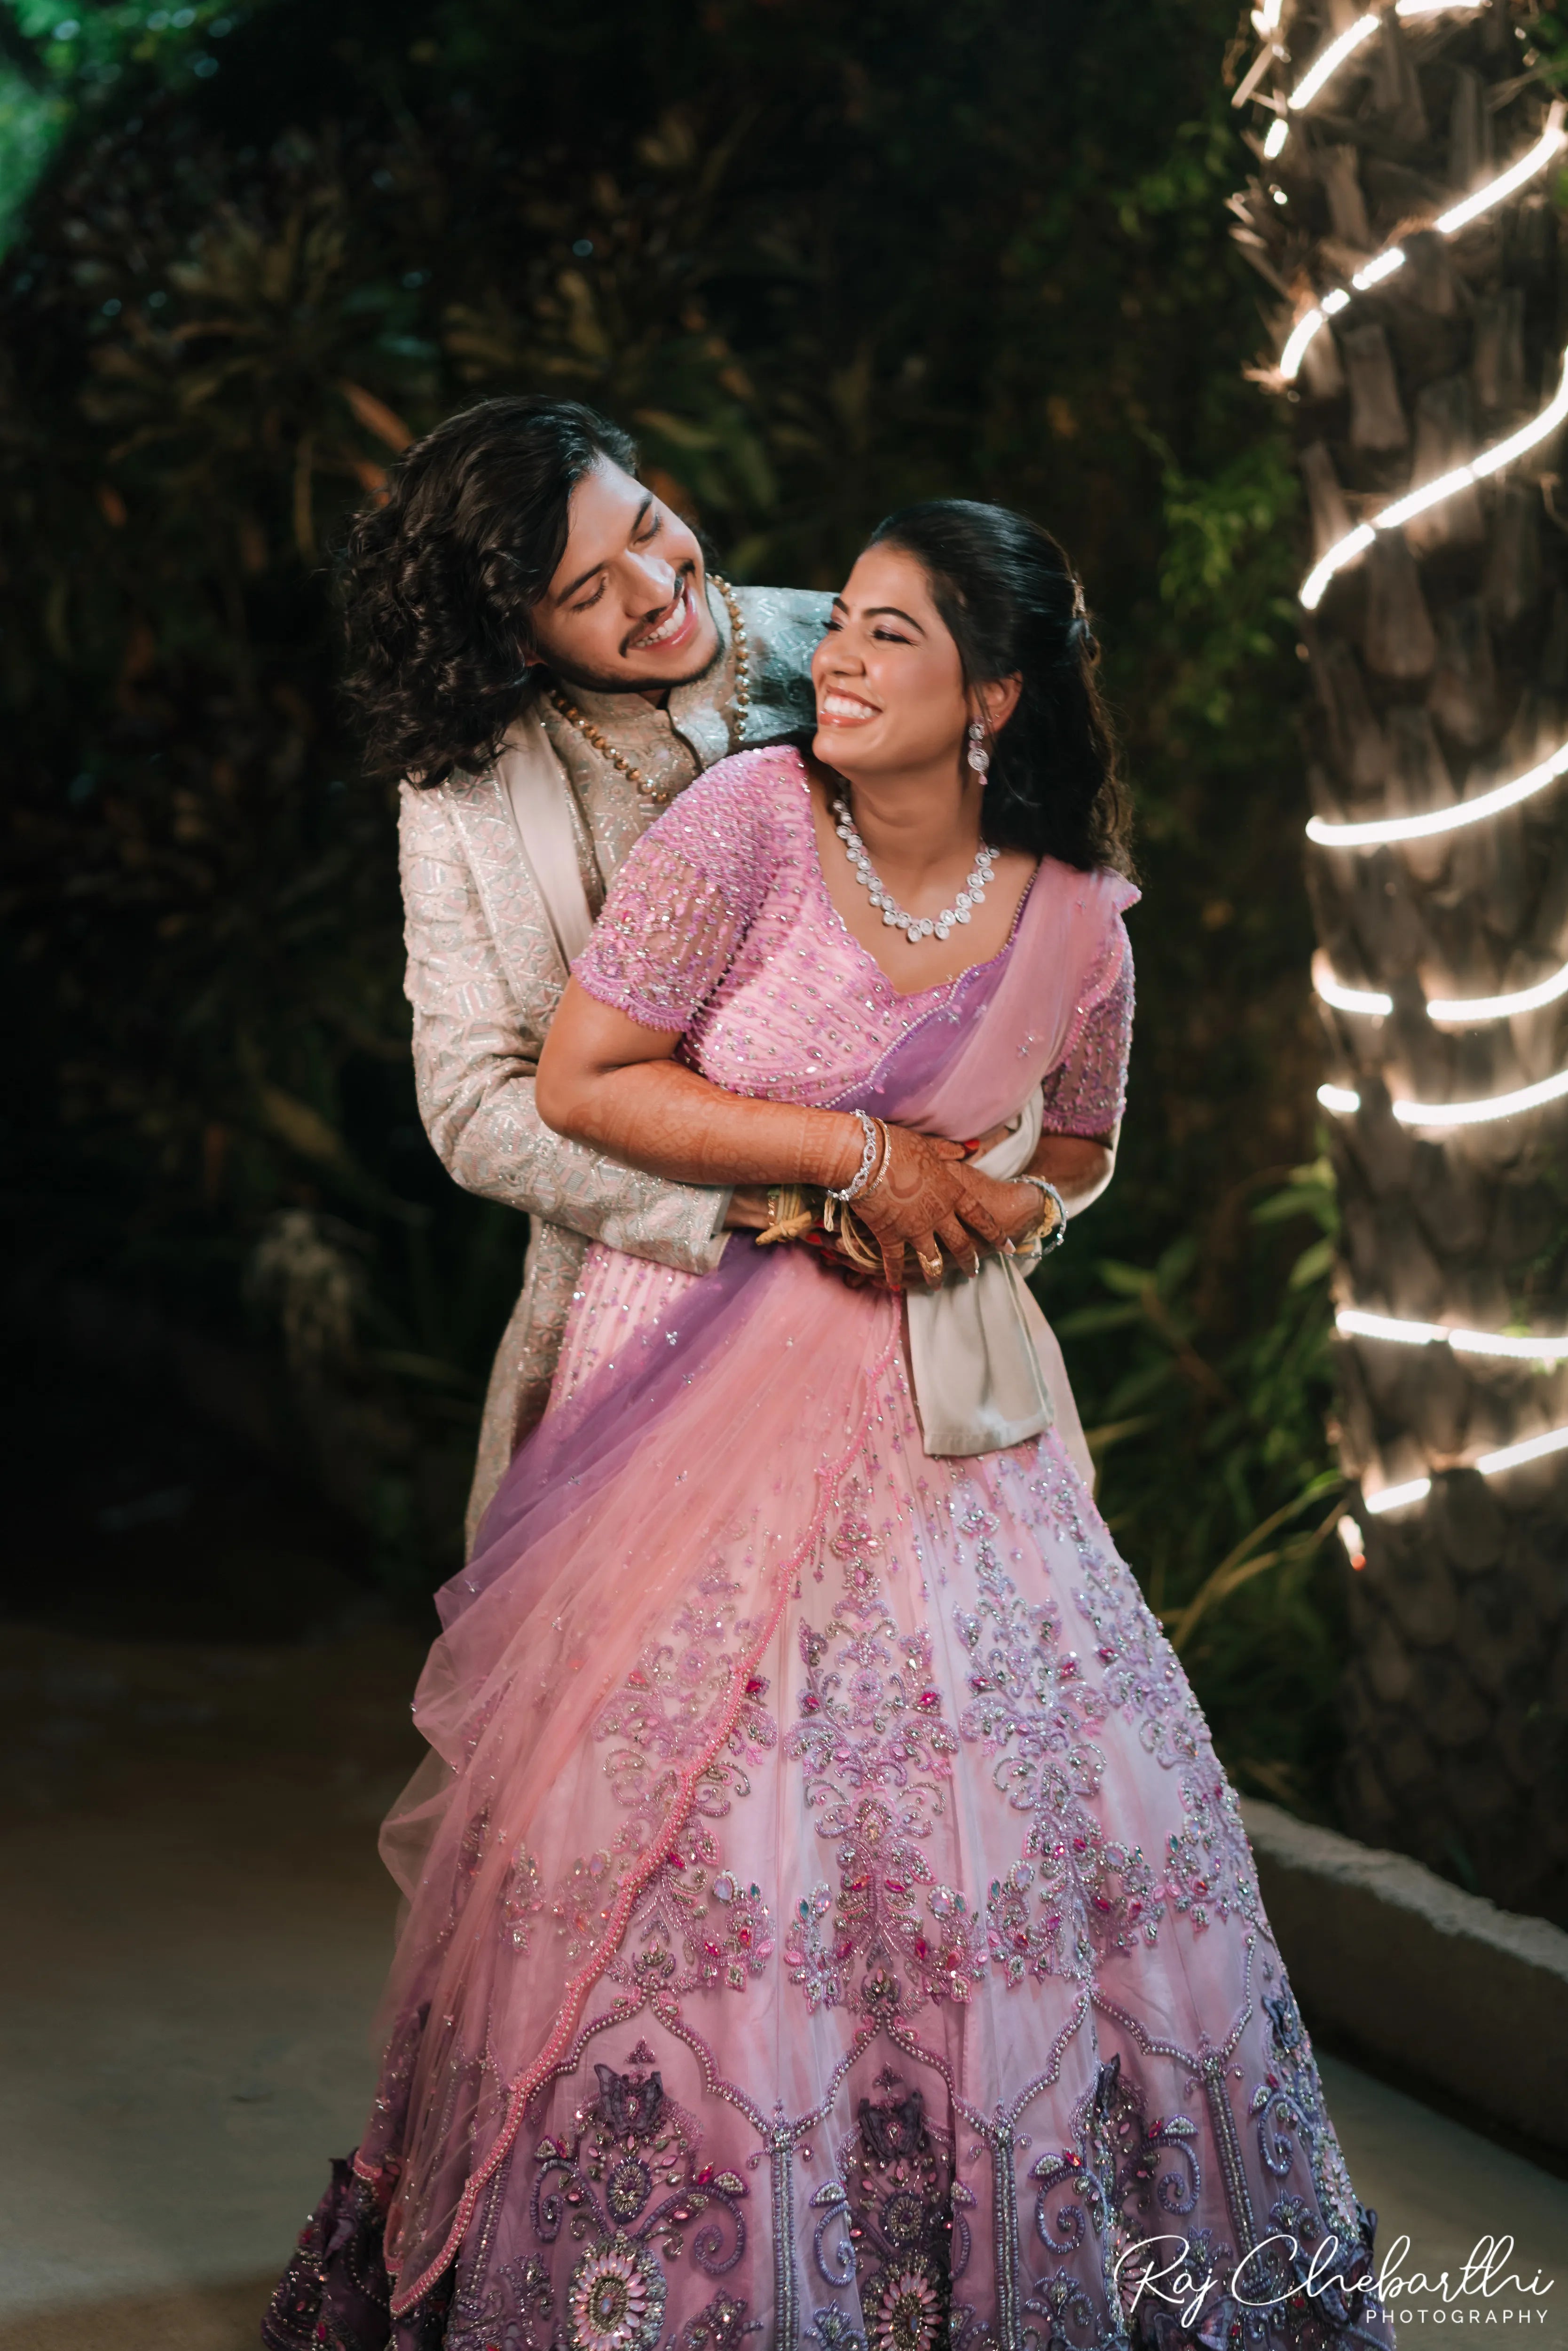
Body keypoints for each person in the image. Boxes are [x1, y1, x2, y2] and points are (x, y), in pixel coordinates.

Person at [265, 503, 1394, 2351]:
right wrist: (855, 1160)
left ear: (995, 698)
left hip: (943, 1405)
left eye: (888, 635)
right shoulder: (744, 819)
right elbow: (577, 1081)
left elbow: (1081, 1147)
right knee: (684, 1836)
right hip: (692, 1381)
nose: (834, 660)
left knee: (990, 1821)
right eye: (843, 623)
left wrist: (988, 1209)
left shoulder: (1072, 912)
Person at [348, 395, 832, 1549]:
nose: (655, 589)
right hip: (628, 1320)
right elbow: (471, 1102)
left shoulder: (851, 649)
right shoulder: (466, 788)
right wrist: (729, 1200)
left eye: (649, 525)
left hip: (895, 1271)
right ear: (517, 638)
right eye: (585, 592)